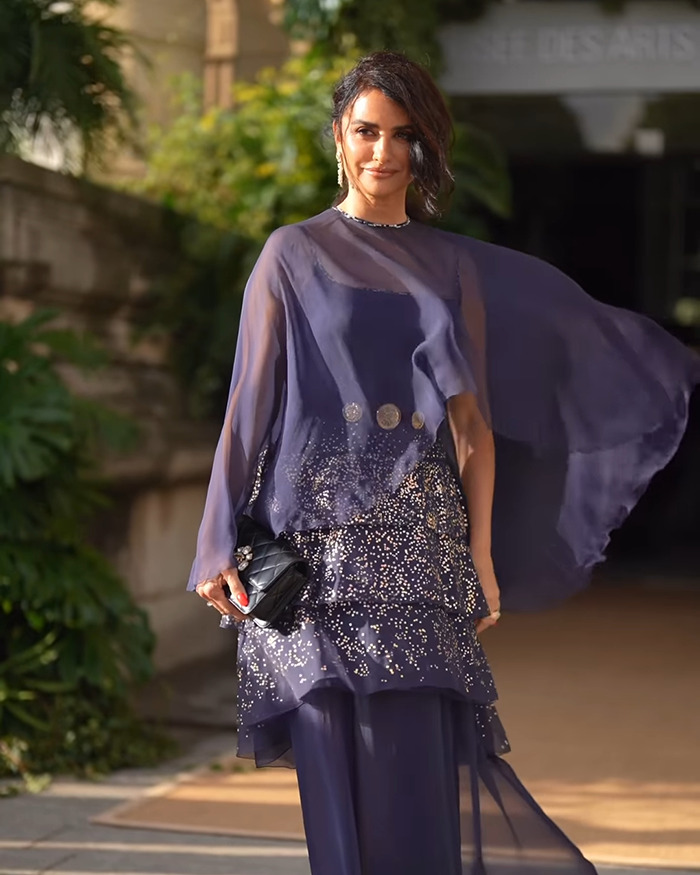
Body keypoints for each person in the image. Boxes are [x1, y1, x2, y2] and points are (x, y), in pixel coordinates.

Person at [189, 51, 700, 875]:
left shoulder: (451, 265)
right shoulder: (290, 254)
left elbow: (473, 430)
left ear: (424, 148)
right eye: (366, 132)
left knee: (411, 785)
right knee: (333, 794)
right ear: (338, 137)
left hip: (418, 563)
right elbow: (247, 403)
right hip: (308, 567)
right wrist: (214, 542)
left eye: (403, 136)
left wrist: (481, 561)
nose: (383, 153)